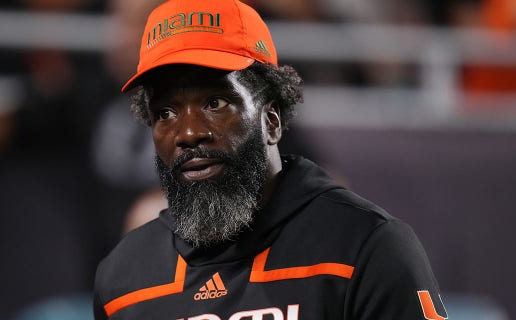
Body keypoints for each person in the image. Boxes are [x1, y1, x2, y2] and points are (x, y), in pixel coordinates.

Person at [93, 0, 447, 319]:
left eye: (215, 103)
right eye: (166, 112)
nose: (188, 133)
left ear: (272, 119)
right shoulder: (123, 281)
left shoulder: (364, 248)